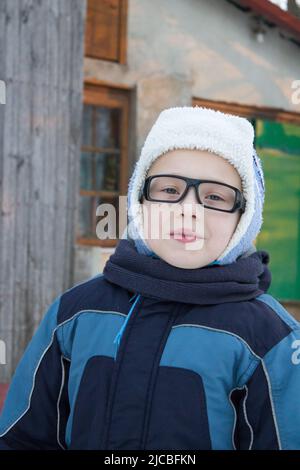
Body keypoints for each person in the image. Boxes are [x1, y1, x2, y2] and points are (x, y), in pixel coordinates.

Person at [0, 106, 299, 450]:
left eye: (215, 196)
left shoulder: (270, 337)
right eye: (170, 190)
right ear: (140, 201)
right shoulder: (75, 314)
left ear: (244, 219)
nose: (189, 208)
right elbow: (23, 439)